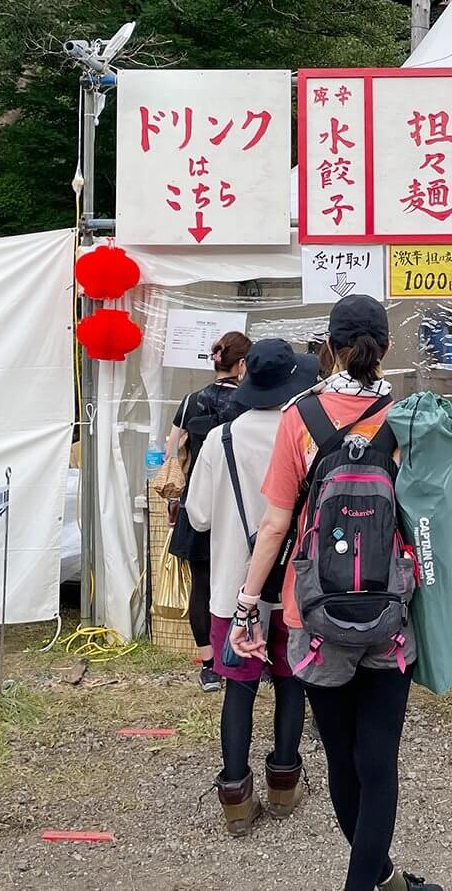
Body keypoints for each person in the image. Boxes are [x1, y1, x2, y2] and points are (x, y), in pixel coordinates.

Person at [232, 296, 443, 891]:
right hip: (388, 614)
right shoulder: (405, 417)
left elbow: (275, 525)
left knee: (344, 759)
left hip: (315, 616)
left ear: (327, 344)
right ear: (388, 348)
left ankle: (371, 880)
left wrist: (250, 608)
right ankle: (380, 878)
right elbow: (422, 519)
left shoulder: (299, 417)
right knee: (379, 763)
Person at [185, 340, 317, 836]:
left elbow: (197, 516)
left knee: (238, 689)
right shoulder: (305, 437)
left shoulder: (219, 440)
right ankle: (285, 781)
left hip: (230, 589)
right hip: (290, 588)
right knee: (289, 681)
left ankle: (236, 796)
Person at [167, 330, 250, 692]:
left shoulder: (189, 402)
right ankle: (243, 653)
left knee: (201, 584)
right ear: (243, 364)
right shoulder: (248, 405)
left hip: (196, 504)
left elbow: (173, 453)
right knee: (245, 582)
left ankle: (208, 664)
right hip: (239, 506)